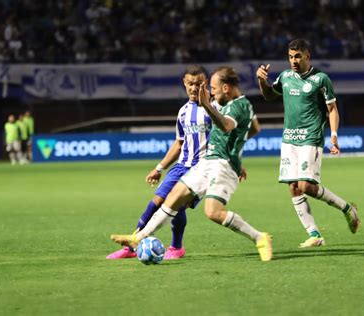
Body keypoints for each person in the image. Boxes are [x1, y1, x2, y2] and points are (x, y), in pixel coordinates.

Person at [110, 66, 273, 261]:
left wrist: (234, 152)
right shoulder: (188, 110)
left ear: (225, 88)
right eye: (193, 84)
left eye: (208, 86)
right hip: (200, 163)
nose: (203, 90)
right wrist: (236, 145)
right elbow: (253, 127)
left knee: (211, 212)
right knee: (171, 199)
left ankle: (258, 237)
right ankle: (138, 238)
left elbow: (230, 126)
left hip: (218, 164)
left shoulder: (227, 105)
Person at [107, 65, 218, 260]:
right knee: (155, 202)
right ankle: (132, 246)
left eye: (198, 83)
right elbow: (179, 144)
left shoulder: (215, 107)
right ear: (184, 83)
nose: (194, 88)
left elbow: (228, 134)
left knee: (177, 205)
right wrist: (159, 168)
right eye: (190, 83)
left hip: (203, 169)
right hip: (181, 165)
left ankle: (176, 247)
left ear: (205, 83)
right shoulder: (183, 112)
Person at [256, 39, 360, 248]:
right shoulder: (285, 77)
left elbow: (332, 109)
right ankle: (314, 234)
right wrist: (262, 81)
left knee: (306, 185)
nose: (293, 61)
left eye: (297, 56)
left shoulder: (320, 79)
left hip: (310, 138)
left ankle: (347, 208)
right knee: (293, 187)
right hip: (289, 140)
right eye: (290, 56)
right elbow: (268, 95)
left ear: (307, 56)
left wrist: (333, 136)